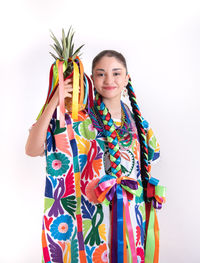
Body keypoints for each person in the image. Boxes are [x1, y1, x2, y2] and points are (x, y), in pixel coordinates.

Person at [26, 50, 164, 263]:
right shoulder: (78, 118)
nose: (109, 80)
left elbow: (150, 159)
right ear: (91, 78)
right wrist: (55, 101)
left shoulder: (138, 122)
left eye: (116, 73)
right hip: (92, 218)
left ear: (127, 78)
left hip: (129, 220)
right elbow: (33, 149)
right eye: (101, 74)